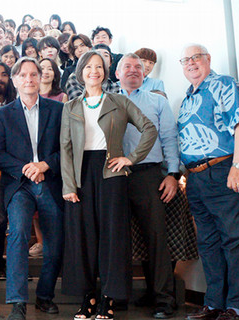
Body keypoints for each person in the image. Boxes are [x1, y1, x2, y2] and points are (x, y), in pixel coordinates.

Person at [60, 50, 157, 320]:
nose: (94, 71)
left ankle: (108, 298)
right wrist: (69, 184)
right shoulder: (70, 107)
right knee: (83, 238)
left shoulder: (118, 101)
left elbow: (149, 128)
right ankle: (87, 297)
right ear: (80, 73)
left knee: (113, 238)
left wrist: (132, 158)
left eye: (99, 66)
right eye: (89, 67)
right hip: (80, 176)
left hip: (111, 174)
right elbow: (65, 148)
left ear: (105, 71)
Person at [179, 44, 239, 320]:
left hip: (226, 167)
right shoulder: (187, 98)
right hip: (197, 177)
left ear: (207, 60)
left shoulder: (224, 84)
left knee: (236, 239)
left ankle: (238, 308)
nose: (191, 63)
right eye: (186, 60)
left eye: (196, 58)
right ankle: (214, 304)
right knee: (209, 243)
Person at [0, 57, 65, 320]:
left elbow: (66, 150)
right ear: (15, 80)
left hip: (50, 182)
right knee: (18, 234)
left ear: (41, 77)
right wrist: (26, 168)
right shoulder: (3, 114)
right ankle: (17, 301)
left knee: (54, 243)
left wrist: (44, 165)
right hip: (19, 185)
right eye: (23, 75)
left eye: (34, 74)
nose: (29, 79)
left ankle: (44, 295)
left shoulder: (57, 110)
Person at [116, 53, 180, 319]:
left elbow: (169, 137)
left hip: (149, 175)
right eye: (127, 67)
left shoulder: (157, 101)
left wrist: (173, 174)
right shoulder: (109, 101)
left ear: (145, 73)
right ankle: (117, 295)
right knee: (117, 238)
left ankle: (163, 299)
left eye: (138, 67)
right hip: (116, 176)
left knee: (156, 237)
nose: (133, 70)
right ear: (117, 73)